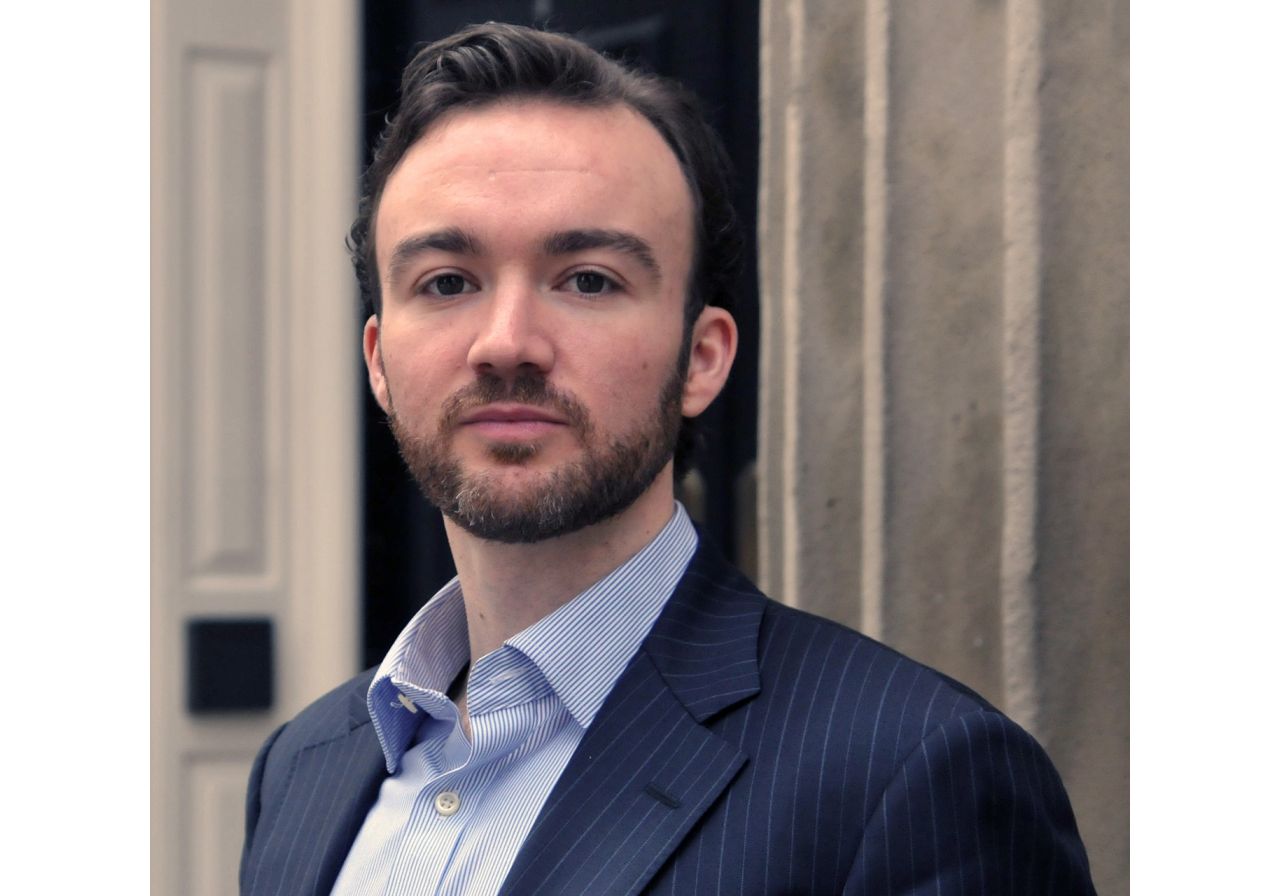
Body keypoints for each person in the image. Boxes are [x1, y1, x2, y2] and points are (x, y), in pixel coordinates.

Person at [240, 22, 1096, 896]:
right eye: (447, 282)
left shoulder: (912, 777)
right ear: (379, 362)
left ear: (702, 359)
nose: (505, 343)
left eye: (588, 279)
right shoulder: (301, 770)